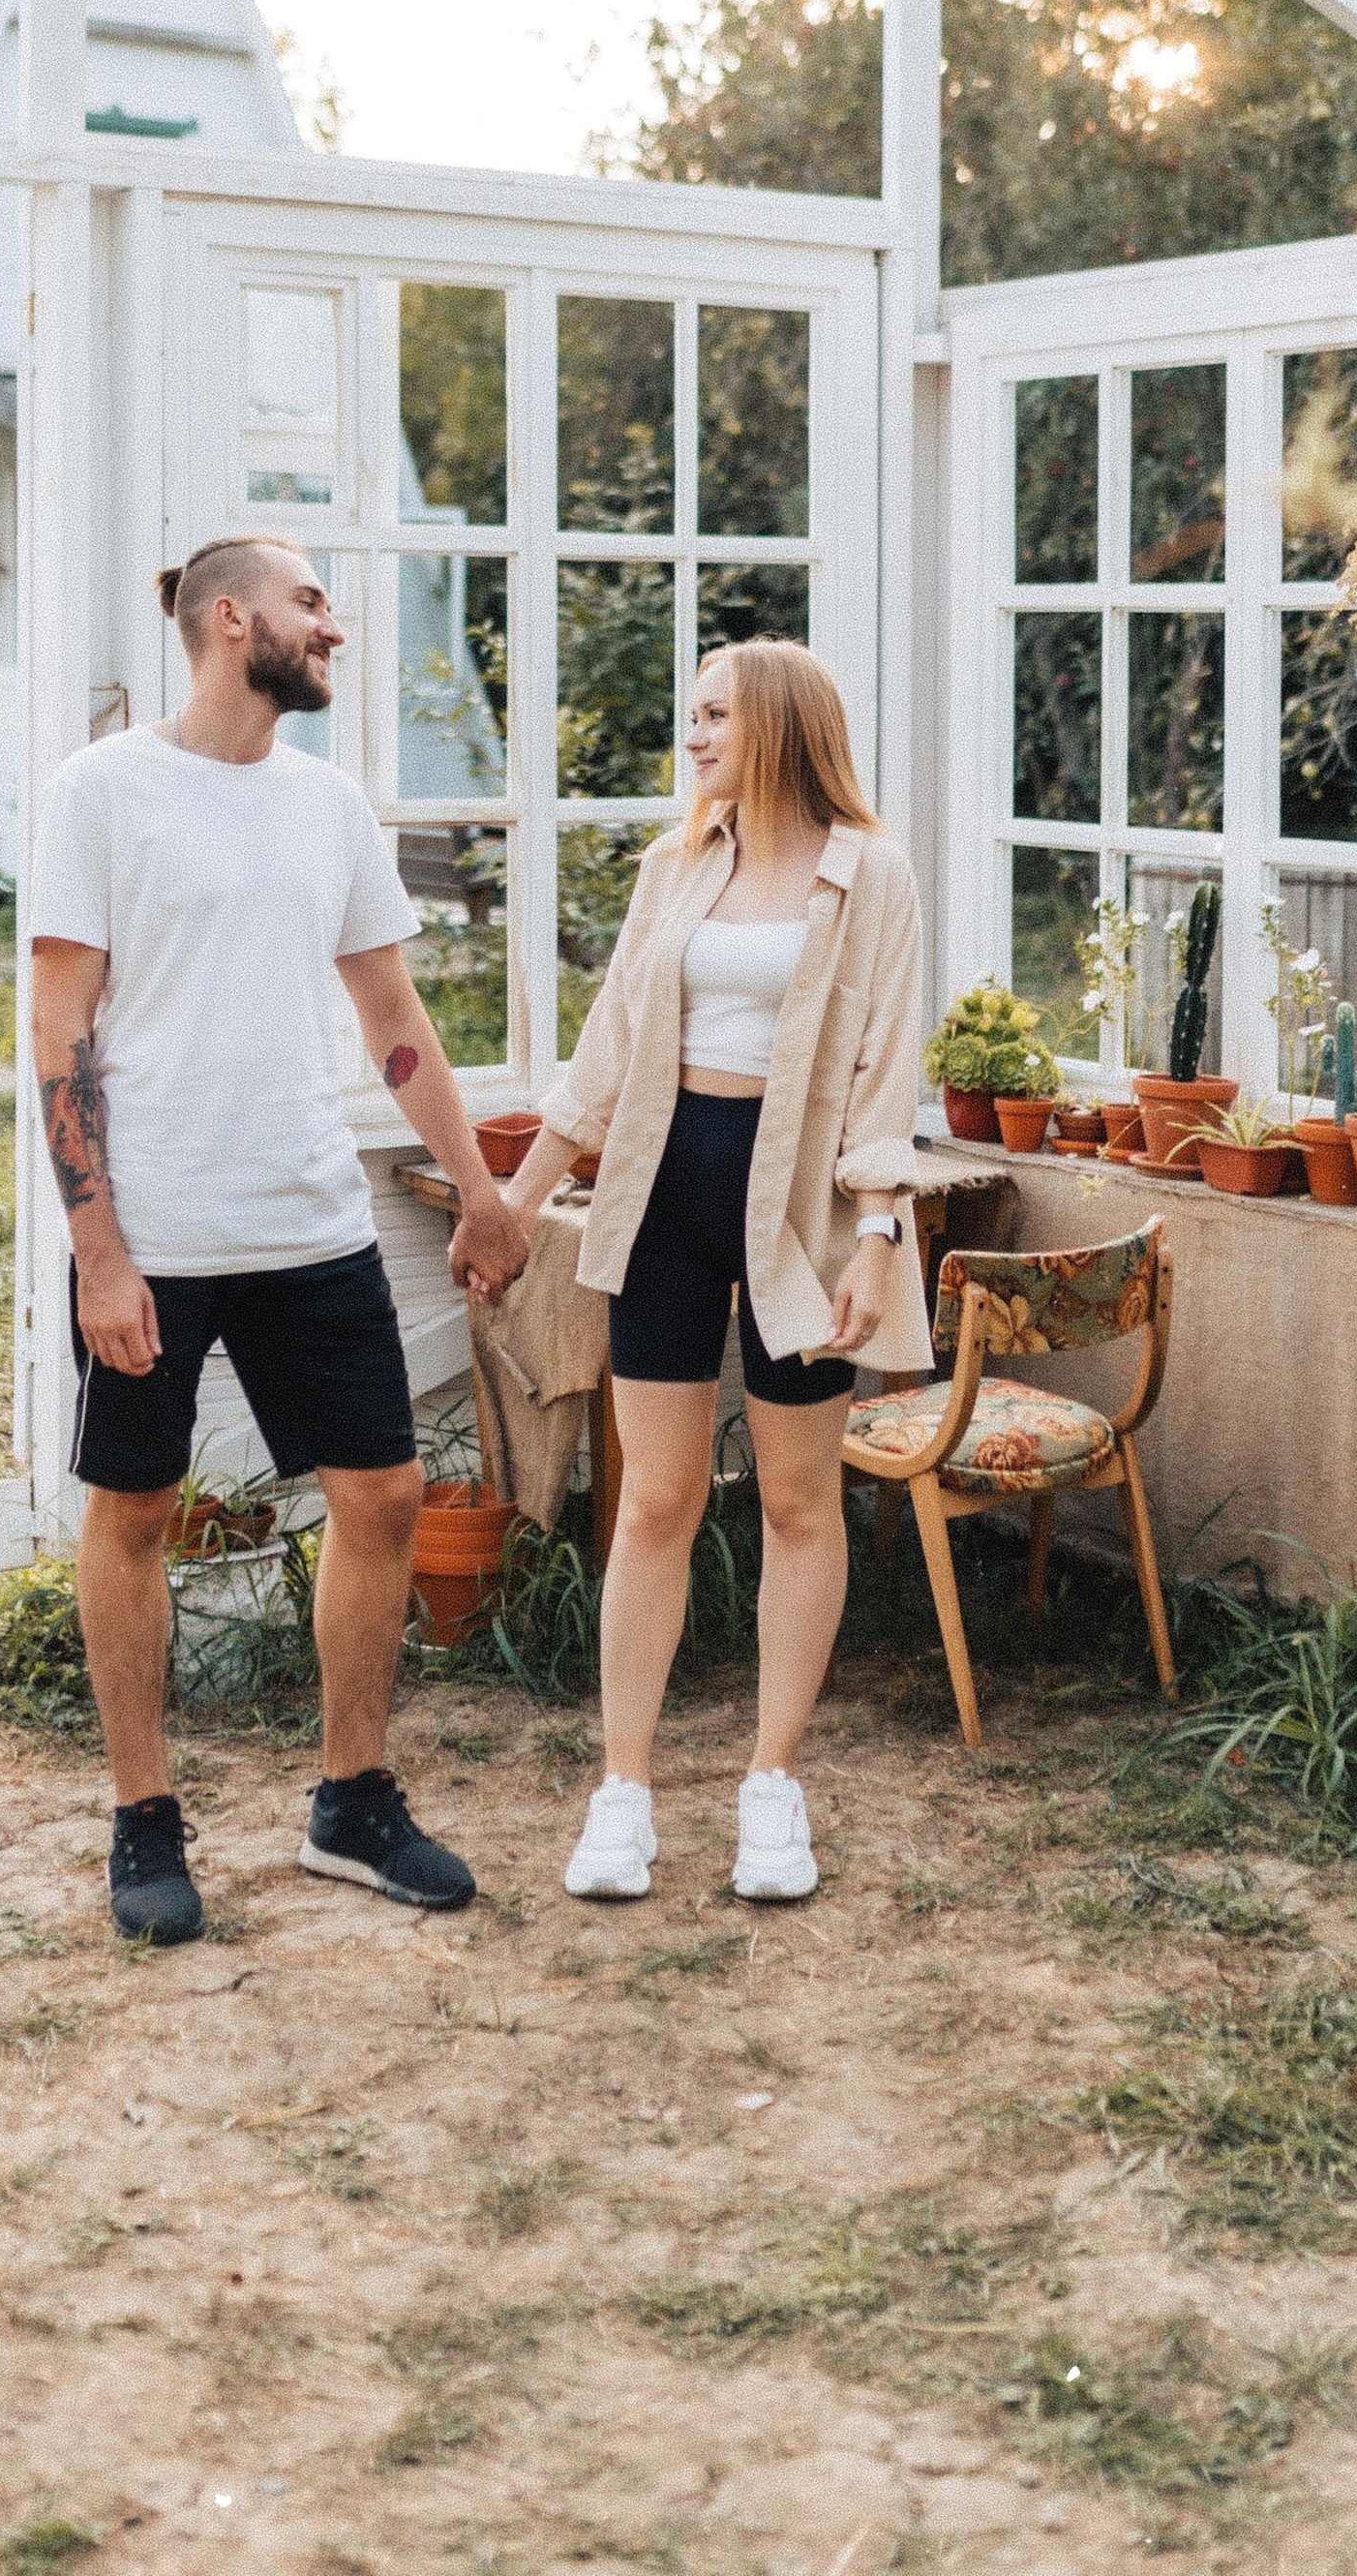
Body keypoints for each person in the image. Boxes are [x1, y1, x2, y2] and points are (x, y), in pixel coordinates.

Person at [31, 531, 530, 1948]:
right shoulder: (104, 794)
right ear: (231, 616)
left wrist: (478, 1186)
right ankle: (144, 1816)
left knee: (379, 1501)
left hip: (308, 1217)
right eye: (313, 603)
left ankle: (352, 1803)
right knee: (134, 1512)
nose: (335, 627)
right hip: (160, 1236)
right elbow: (59, 1035)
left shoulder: (329, 809)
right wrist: (99, 1251)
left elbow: (393, 1023)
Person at [467, 640, 930, 1907]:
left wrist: (882, 1241)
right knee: (658, 1502)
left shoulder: (870, 874)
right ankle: (623, 1792)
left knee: (794, 1503)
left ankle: (772, 1787)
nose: (697, 735)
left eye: (716, 714)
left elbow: (889, 1076)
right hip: (664, 1190)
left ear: (779, 724)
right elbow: (607, 1053)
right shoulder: (678, 866)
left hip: (807, 1210)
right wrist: (512, 1205)